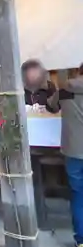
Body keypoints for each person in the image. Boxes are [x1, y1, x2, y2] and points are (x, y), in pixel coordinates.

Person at [59, 64, 83, 247]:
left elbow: (51, 106)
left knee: (78, 194)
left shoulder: (66, 88)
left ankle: (81, 240)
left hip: (73, 151)